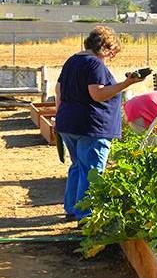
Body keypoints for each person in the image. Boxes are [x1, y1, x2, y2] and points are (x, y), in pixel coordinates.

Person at [55, 26, 147, 222]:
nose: (111, 58)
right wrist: (126, 84)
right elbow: (97, 93)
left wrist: (63, 114)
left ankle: (72, 208)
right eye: (112, 53)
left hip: (69, 124)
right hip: (91, 126)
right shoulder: (94, 64)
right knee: (92, 171)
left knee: (78, 166)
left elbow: (58, 90)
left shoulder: (72, 60)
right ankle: (86, 216)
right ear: (105, 47)